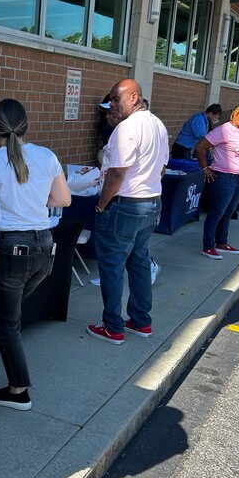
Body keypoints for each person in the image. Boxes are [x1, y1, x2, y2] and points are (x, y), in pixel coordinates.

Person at [0, 99, 71, 411]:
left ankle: (18, 389)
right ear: (25, 125)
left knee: (6, 322)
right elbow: (63, 199)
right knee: (5, 315)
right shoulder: (47, 156)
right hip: (44, 249)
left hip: (10, 250)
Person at [86, 79, 168, 345]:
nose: (112, 105)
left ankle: (113, 327)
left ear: (133, 98)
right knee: (139, 262)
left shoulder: (127, 128)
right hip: (151, 202)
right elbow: (162, 168)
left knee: (112, 266)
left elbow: (118, 172)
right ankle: (141, 321)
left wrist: (101, 205)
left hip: (125, 204)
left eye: (115, 99)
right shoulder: (157, 124)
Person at [195, 104, 239, 260]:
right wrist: (204, 168)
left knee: (228, 213)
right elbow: (200, 147)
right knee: (216, 213)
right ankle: (208, 246)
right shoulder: (223, 130)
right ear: (233, 116)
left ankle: (221, 242)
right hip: (223, 177)